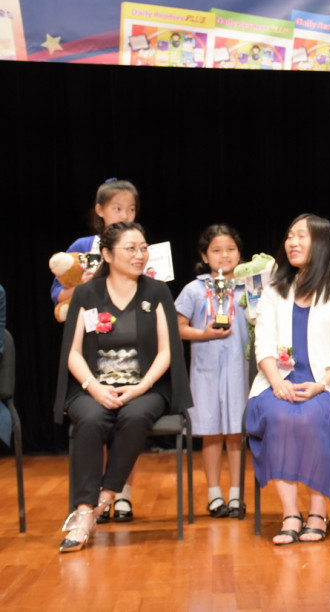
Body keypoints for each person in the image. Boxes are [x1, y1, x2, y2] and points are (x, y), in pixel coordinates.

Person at [54, 222, 191, 552]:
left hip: (146, 386)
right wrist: (93, 387)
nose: (139, 255)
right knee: (90, 419)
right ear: (107, 254)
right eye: (130, 248)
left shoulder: (156, 291)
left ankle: (104, 498)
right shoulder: (87, 293)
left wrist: (141, 386)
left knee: (135, 415)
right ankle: (83, 512)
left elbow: (167, 350)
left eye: (143, 248)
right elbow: (73, 353)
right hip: (93, 385)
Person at [245, 214, 330, 545]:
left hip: (329, 386)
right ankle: (290, 514)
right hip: (277, 382)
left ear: (321, 243)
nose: (292, 243)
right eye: (289, 236)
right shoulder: (274, 291)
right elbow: (263, 345)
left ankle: (317, 511)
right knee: (279, 416)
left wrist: (321, 385)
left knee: (312, 417)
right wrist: (276, 382)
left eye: (301, 236)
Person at [50, 178, 142, 523]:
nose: (125, 215)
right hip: (93, 346)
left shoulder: (139, 247)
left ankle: (123, 496)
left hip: (132, 347)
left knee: (130, 422)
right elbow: (58, 296)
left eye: (131, 209)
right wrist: (85, 285)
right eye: (117, 208)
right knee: (98, 420)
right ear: (100, 210)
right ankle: (96, 497)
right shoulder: (82, 247)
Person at [175, 224, 250, 518]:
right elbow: (177, 328)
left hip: (239, 369)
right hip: (205, 371)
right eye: (216, 250)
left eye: (231, 249)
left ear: (240, 254)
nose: (224, 255)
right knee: (212, 432)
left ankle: (236, 495)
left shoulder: (251, 288)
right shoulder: (194, 289)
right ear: (204, 256)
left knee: (236, 432)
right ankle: (214, 495)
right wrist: (204, 334)